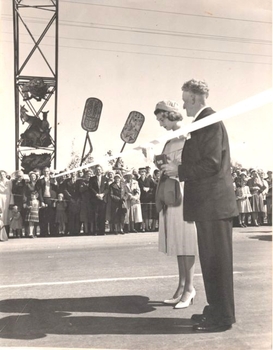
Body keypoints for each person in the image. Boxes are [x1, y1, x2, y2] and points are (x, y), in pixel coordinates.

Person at [162, 79, 238, 332]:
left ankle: (222, 317)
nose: (183, 106)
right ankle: (215, 310)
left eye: (185, 101)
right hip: (210, 205)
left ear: (194, 98)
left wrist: (179, 169)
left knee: (217, 263)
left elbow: (212, 163)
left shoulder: (209, 122)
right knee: (211, 261)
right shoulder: (204, 122)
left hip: (213, 205)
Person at [154, 100, 197, 309]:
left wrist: (174, 167)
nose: (161, 123)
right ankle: (182, 286)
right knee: (179, 241)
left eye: (162, 119)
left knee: (186, 240)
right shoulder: (169, 139)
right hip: (171, 192)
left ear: (171, 115)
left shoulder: (188, 135)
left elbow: (191, 165)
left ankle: (190, 288)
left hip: (184, 193)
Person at [36, 167, 58, 236]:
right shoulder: (40, 180)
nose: (46, 173)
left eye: (47, 171)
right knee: (43, 216)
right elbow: (39, 191)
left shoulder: (53, 179)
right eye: (45, 171)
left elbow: (57, 189)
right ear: (43, 172)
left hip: (52, 199)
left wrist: (55, 183)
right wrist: (41, 201)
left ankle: (53, 232)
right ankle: (44, 232)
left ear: (49, 172)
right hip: (44, 199)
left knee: (52, 216)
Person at [89, 165, 108, 235]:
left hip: (103, 199)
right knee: (95, 215)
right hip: (95, 199)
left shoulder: (105, 178)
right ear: (95, 171)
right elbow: (90, 188)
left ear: (102, 170)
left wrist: (103, 194)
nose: (98, 171)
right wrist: (96, 194)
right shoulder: (92, 179)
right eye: (97, 170)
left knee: (102, 215)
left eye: (99, 169)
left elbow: (107, 188)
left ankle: (102, 231)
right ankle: (95, 231)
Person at [0, 170, 14, 236]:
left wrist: (11, 201)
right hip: (0, 198)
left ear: (5, 175)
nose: (2, 175)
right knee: (1, 215)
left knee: (7, 216)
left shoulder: (9, 182)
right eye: (1, 174)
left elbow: (11, 191)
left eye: (3, 174)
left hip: (7, 198)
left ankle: (6, 233)